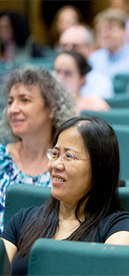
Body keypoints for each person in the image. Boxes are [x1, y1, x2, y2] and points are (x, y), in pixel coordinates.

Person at [1, 115, 129, 275]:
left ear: (99, 168)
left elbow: (113, 269)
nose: (55, 165)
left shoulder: (118, 227)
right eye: (54, 154)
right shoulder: (24, 219)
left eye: (69, 156)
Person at [0, 66, 75, 232]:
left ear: (52, 108)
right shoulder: (1, 157)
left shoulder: (68, 165)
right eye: (10, 102)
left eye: (24, 100)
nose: (13, 109)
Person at [59, 25, 114, 99]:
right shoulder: (52, 77)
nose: (68, 50)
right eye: (64, 46)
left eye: (75, 46)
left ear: (90, 49)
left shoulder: (100, 81)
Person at [54, 50, 110, 115]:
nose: (60, 78)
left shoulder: (94, 104)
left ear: (82, 79)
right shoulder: (47, 104)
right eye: (57, 72)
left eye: (68, 73)